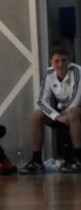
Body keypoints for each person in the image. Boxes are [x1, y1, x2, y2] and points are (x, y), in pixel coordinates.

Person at [21, 45, 81, 173]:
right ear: (51, 62)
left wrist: (65, 115)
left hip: (77, 113)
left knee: (73, 111)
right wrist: (57, 116)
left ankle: (78, 159)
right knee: (37, 115)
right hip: (64, 115)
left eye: (64, 60)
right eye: (56, 61)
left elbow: (75, 99)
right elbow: (42, 101)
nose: (60, 65)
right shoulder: (48, 74)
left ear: (69, 60)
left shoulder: (77, 71)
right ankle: (37, 161)